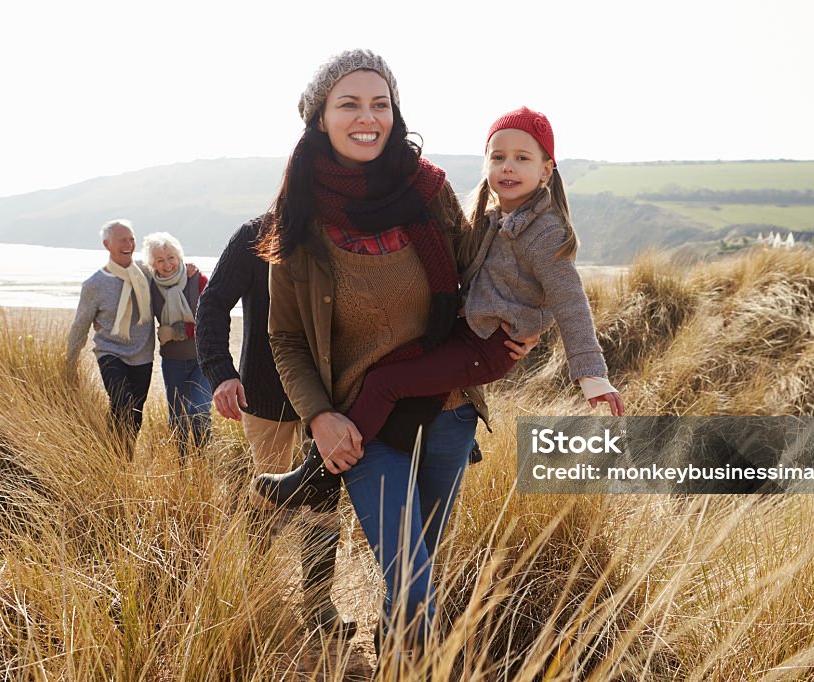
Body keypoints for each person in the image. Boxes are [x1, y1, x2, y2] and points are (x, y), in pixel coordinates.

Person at [255, 49, 538, 653]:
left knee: (415, 572)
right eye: (349, 103)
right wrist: (319, 417)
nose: (368, 117)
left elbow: (478, 274)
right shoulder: (299, 219)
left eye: (380, 104)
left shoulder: (430, 192)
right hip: (362, 425)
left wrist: (529, 314)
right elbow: (286, 338)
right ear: (320, 117)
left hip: (448, 409)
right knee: (411, 577)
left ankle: (396, 656)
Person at [255, 106, 625, 511]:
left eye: (523, 158)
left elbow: (569, 300)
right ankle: (427, 449)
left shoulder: (544, 230)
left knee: (384, 383)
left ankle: (319, 476)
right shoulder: (494, 218)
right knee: (391, 367)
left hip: (487, 347)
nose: (508, 167)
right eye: (498, 157)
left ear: (546, 170)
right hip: (471, 335)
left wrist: (592, 376)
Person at [193, 214, 356, 637]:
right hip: (264, 394)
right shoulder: (256, 234)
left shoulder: (346, 230)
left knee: (324, 496)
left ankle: (318, 602)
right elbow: (211, 304)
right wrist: (221, 372)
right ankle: (254, 581)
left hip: (331, 396)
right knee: (269, 494)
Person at [66, 219, 155, 456]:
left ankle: (123, 458)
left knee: (134, 412)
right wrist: (70, 362)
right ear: (107, 244)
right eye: (122, 240)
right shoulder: (94, 284)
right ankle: (112, 455)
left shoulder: (146, 272)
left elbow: (171, 273)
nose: (129, 244)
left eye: (132, 239)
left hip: (143, 354)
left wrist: (188, 269)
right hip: (110, 353)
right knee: (123, 403)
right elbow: (80, 326)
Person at [142, 232, 213, 453]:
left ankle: (203, 466)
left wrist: (176, 331)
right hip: (172, 362)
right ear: (152, 263)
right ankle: (181, 467)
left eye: (171, 257)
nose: (167, 264)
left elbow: (212, 319)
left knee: (199, 410)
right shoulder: (150, 285)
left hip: (203, 360)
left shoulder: (198, 280)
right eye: (160, 260)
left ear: (179, 256)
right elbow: (128, 267)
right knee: (178, 417)